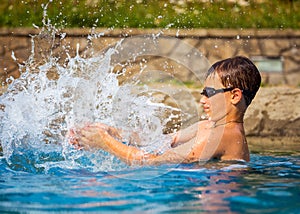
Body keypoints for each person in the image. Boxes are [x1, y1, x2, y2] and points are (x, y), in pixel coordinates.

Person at [69, 56, 261, 165]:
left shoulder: (223, 135)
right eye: (203, 92)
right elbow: (161, 140)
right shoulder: (207, 127)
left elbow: (152, 163)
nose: (202, 99)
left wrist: (105, 142)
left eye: (209, 93)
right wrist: (112, 132)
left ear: (235, 96)